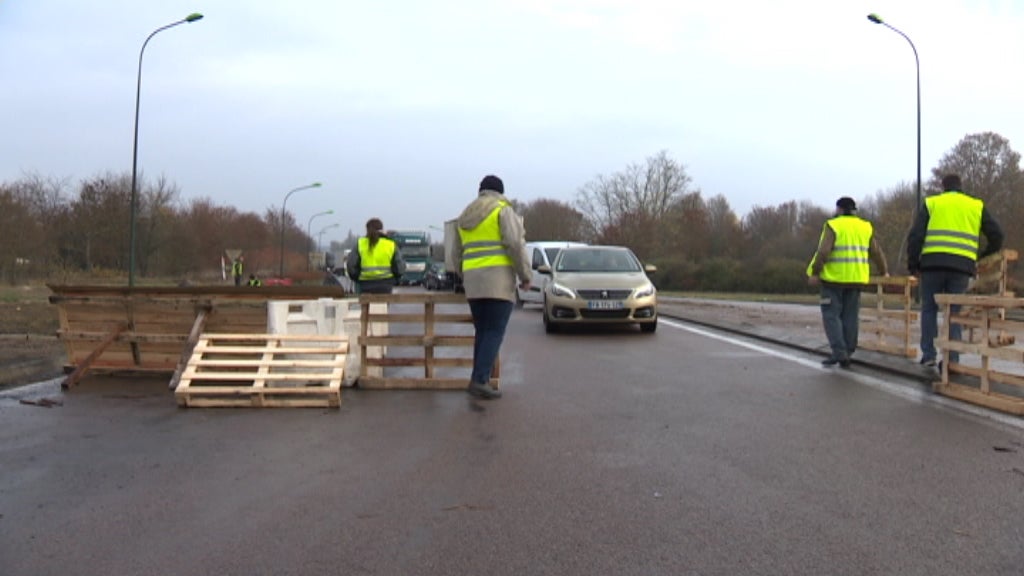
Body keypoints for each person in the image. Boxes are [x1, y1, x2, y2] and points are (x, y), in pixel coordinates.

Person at [907, 174, 1003, 368]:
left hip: (932, 265)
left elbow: (916, 236)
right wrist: (980, 257)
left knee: (929, 309)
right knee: (954, 313)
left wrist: (913, 264)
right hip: (961, 268)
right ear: (961, 186)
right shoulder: (975, 205)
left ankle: (929, 354)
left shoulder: (932, 203)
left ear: (943, 187)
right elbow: (998, 236)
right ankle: (952, 359)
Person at [452, 174, 532, 399]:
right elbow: (515, 244)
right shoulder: (502, 210)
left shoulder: (465, 216)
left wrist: (464, 274)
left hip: (473, 283)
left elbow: (455, 253)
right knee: (495, 331)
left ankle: (478, 378)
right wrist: (525, 275)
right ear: (500, 192)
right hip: (498, 281)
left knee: (483, 331)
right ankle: (479, 380)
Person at [807, 196, 889, 368]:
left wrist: (815, 272)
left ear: (840, 209)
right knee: (851, 317)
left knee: (832, 316)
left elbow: (823, 252)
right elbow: (877, 252)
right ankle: (848, 351)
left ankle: (839, 352)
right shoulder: (864, 227)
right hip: (856, 280)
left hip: (833, 280)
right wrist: (884, 271)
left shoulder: (834, 225)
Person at [345, 218, 405, 294]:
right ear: (382, 229)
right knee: (384, 304)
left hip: (365, 284)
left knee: (366, 304)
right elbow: (400, 267)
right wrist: (395, 279)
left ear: (367, 230)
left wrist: (357, 278)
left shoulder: (360, 244)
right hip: (385, 284)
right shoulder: (390, 244)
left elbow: (351, 265)